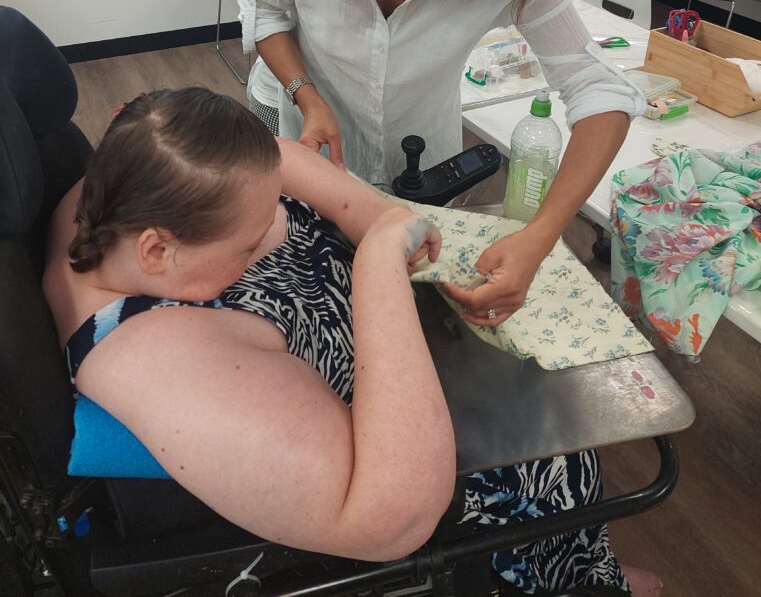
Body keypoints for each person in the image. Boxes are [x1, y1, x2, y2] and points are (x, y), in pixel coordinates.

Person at [43, 88, 657, 595]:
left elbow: (272, 158)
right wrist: (379, 260)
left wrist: (367, 212)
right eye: (249, 246)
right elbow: (391, 519)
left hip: (412, 347)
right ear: (158, 250)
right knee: (547, 441)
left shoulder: (122, 192)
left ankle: (581, 567)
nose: (267, 240)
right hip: (434, 456)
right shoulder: (153, 356)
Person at [238, 0, 646, 327]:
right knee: (314, 292)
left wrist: (539, 236)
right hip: (310, 135)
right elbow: (265, 7)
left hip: (422, 143)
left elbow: (600, 91)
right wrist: (307, 95)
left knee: (414, 301)